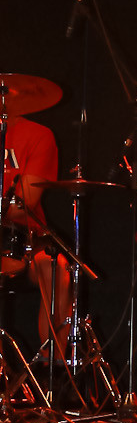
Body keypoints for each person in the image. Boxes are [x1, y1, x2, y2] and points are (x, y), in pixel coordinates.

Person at [2, 113, 71, 366]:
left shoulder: (38, 135)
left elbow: (24, 203)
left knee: (57, 268)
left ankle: (53, 368)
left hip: (23, 239)